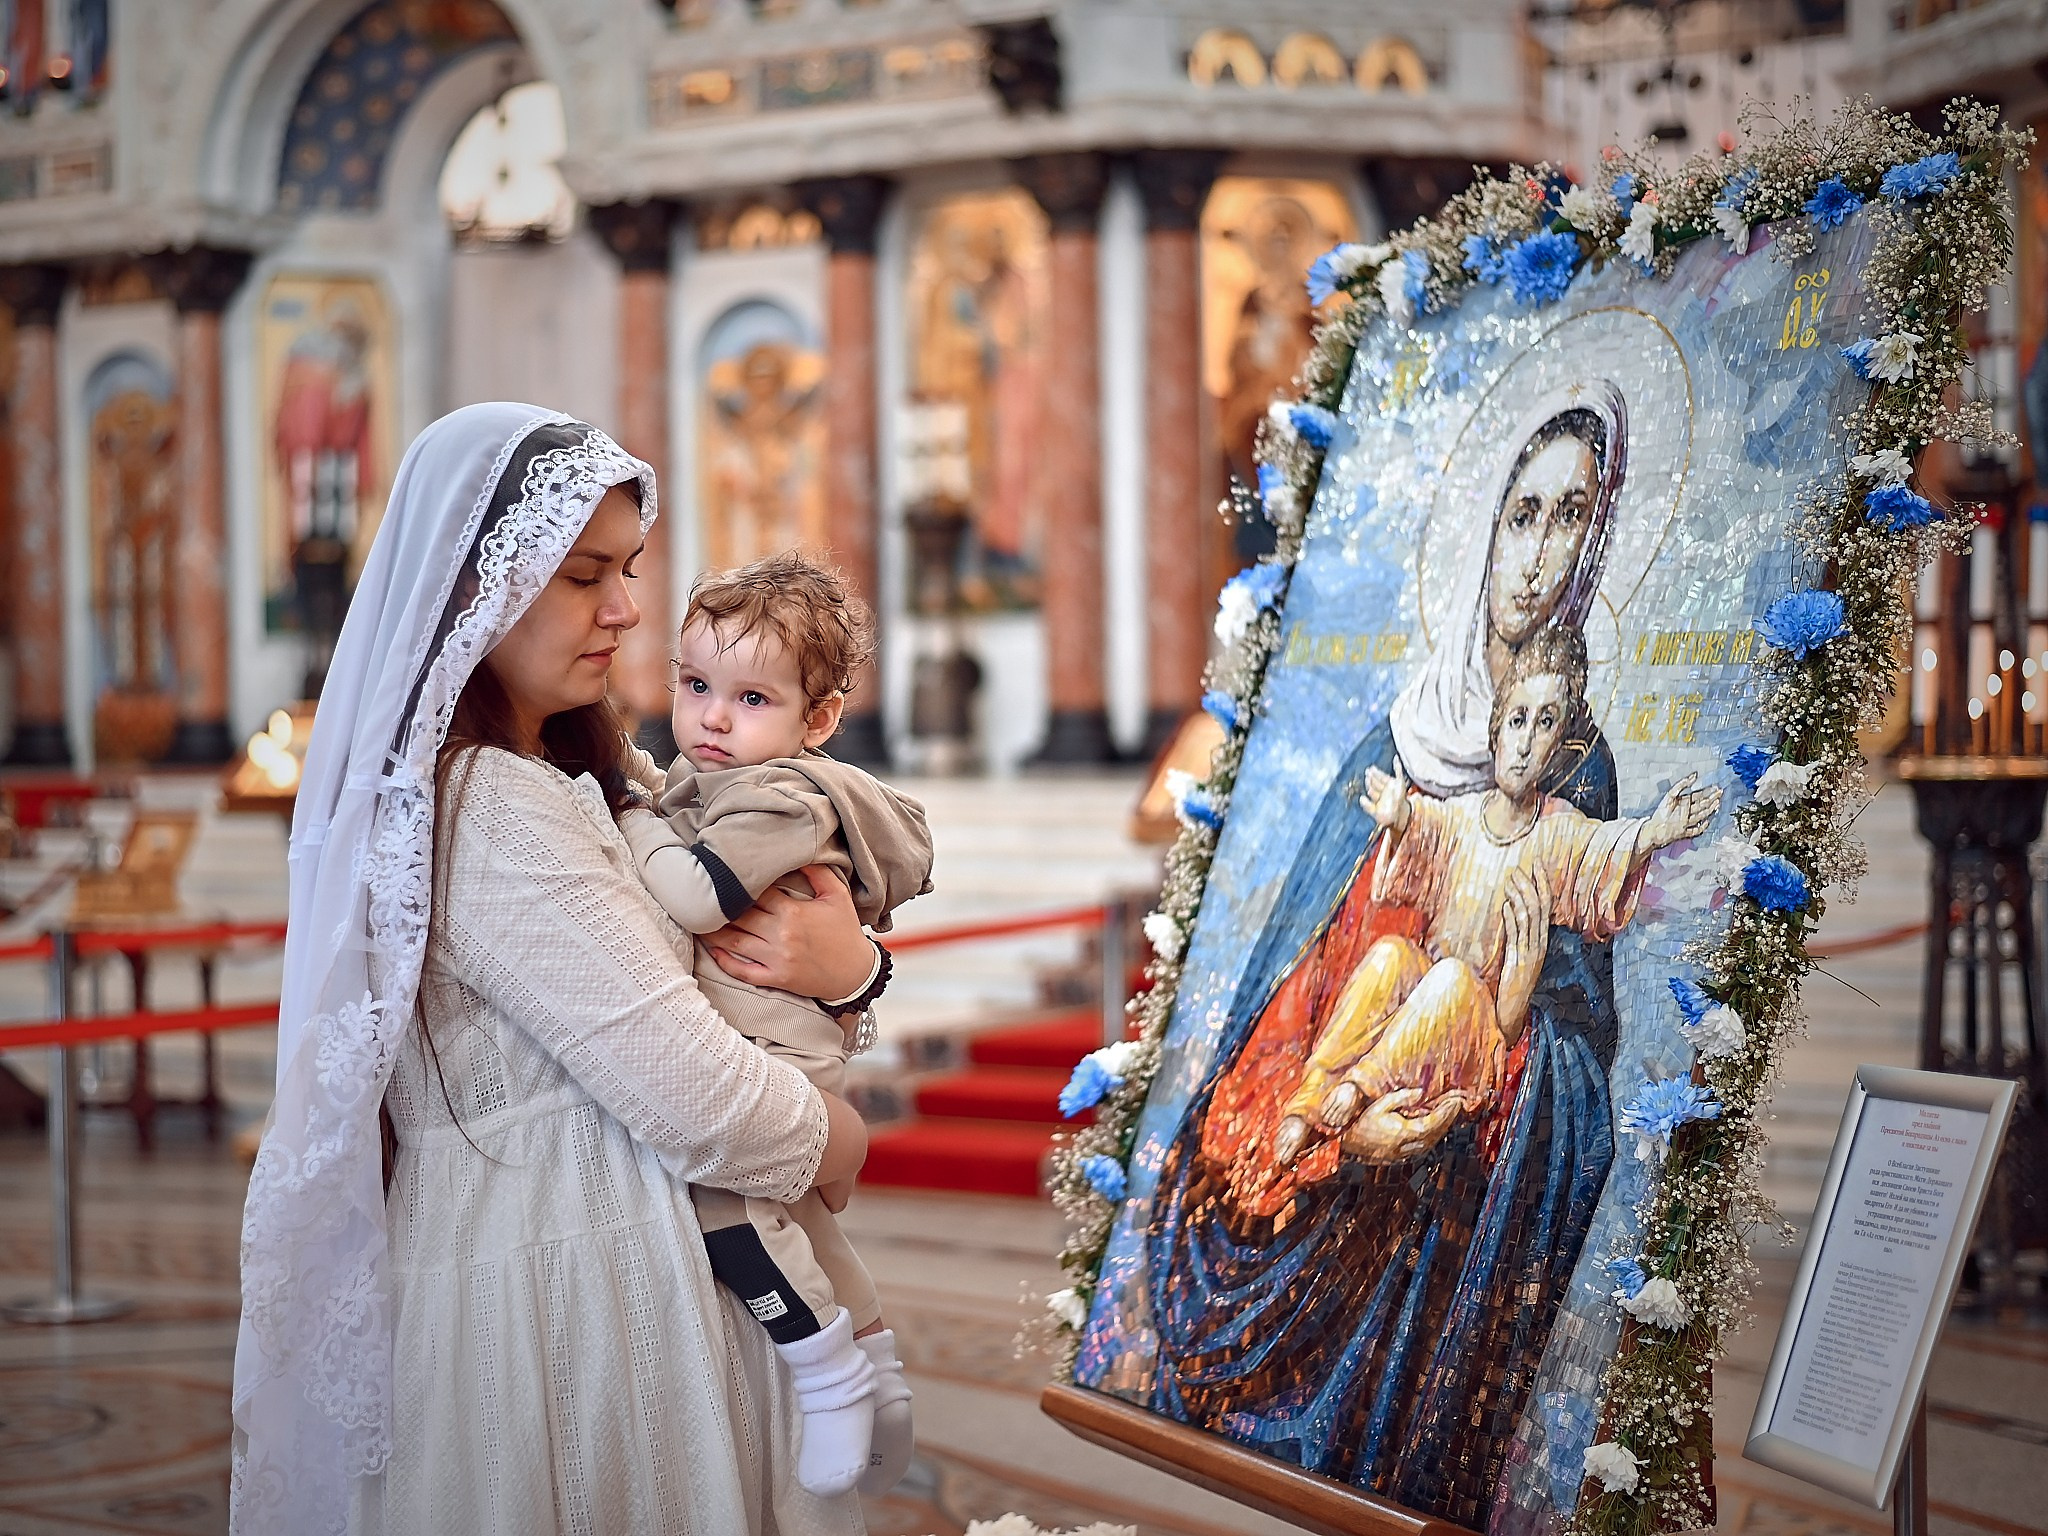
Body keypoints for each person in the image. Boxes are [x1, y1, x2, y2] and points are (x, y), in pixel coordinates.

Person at [233, 404, 881, 1535]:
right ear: (483, 586)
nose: (628, 610)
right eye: (585, 576)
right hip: (567, 1292)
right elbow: (698, 1095)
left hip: (603, 1259)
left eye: (627, 569)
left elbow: (741, 981)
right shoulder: (489, 806)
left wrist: (850, 968)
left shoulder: (573, 770)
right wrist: (841, 1139)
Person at [1128, 382, 1636, 1530]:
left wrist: (1447, 1093)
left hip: (1432, 1144)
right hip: (1317, 1096)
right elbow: (1289, 962)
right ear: (1486, 528)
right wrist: (1291, 1098)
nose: (1536, 555)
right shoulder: (1391, 738)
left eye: (1569, 520)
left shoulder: (1576, 774)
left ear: (1595, 546)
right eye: (1521, 514)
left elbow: (1570, 1042)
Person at [618, 551, 931, 1498]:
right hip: (771, 1031)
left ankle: (825, 1370)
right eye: (696, 684)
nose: (712, 717)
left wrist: (626, 811)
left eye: (751, 698)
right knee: (796, 1217)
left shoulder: (773, 797)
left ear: (819, 721)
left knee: (729, 1210)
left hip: (768, 1048)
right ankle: (878, 1369)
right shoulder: (726, 779)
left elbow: (699, 894)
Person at [1271, 628, 1718, 1175]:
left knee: (1454, 979)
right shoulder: (1463, 815)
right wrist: (1401, 816)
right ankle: (1312, 1096)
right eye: (1518, 719)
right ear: (1496, 729)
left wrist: (1651, 833)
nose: (1526, 741)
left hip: (1475, 1032)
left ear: (1561, 748)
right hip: (1425, 1007)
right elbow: (1425, 830)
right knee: (1390, 955)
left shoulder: (1557, 832)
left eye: (1546, 722)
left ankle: (1361, 1087)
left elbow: (1601, 851)